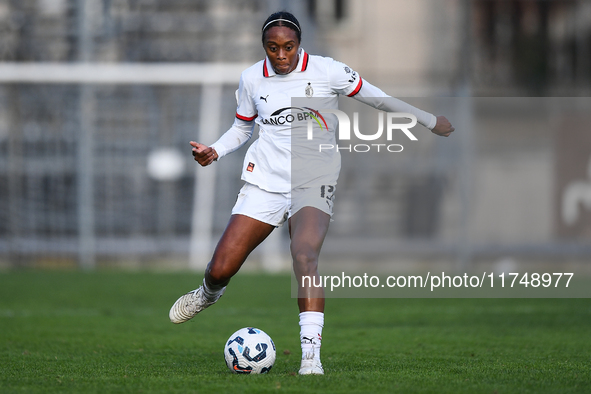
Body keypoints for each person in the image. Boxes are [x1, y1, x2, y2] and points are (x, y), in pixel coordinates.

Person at [169, 11, 454, 375]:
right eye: (273, 48)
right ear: (264, 48)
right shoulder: (251, 79)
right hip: (266, 181)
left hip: (314, 177)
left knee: (304, 255)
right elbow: (242, 128)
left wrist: (429, 120)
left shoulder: (328, 70)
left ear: (299, 44)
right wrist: (216, 150)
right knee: (221, 267)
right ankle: (207, 294)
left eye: (288, 47)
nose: (282, 55)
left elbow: (378, 99)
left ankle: (310, 357)